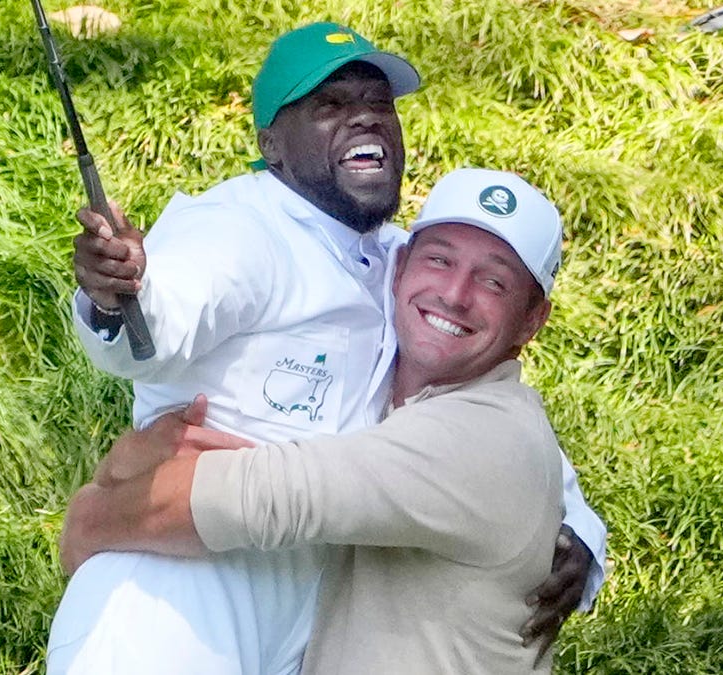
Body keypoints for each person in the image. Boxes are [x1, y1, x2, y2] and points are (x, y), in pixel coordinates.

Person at [50, 22, 605, 674]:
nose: (364, 118)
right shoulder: (240, 226)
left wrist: (576, 531)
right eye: (330, 106)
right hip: (175, 594)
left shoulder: (411, 264)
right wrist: (119, 292)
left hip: (305, 617)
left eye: (378, 104)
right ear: (271, 146)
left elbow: (489, 427)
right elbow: (161, 325)